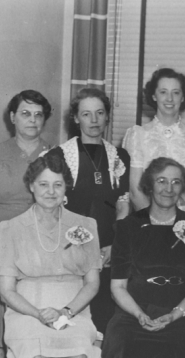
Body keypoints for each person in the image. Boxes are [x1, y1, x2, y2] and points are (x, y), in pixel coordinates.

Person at [0, 154, 102, 358]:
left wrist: (66, 311)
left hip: (74, 311)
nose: (51, 192)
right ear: (32, 186)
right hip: (27, 312)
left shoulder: (86, 226)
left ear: (66, 187)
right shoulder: (10, 228)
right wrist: (37, 314)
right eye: (43, 184)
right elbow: (6, 291)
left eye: (57, 185)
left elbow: (92, 283)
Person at [102, 157, 185, 358]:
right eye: (161, 181)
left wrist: (173, 315)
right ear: (149, 185)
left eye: (176, 182)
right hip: (132, 317)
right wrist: (139, 314)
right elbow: (118, 287)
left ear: (183, 187)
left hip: (181, 317)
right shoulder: (128, 227)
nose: (169, 188)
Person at [0, 90, 52, 358]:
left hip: (41, 235)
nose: (32, 120)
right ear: (12, 118)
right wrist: (4, 226)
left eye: (38, 114)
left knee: (34, 301)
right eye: (25, 113)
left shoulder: (56, 154)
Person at [48, 88, 130, 334]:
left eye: (99, 113)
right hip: (68, 248)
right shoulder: (59, 156)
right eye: (86, 114)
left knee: (104, 318)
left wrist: (114, 243)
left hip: (107, 247)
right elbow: (51, 208)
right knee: (70, 319)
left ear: (107, 116)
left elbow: (123, 203)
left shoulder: (120, 156)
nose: (94, 121)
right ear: (76, 118)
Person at [123, 68, 185, 219]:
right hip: (147, 223)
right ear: (154, 95)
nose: (169, 99)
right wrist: (155, 225)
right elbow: (135, 191)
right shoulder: (137, 135)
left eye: (176, 92)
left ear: (183, 97)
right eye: (163, 92)